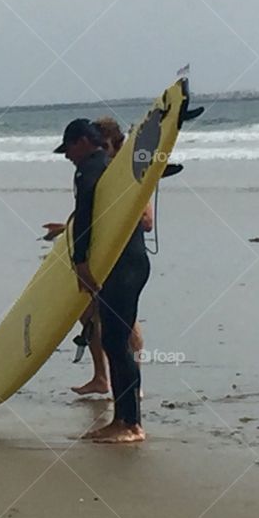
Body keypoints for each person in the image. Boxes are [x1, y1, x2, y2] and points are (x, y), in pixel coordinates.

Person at [53, 119, 150, 443]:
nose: (67, 156)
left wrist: (80, 263)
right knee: (114, 340)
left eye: (68, 149)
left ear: (82, 142)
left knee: (116, 342)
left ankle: (130, 424)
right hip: (131, 263)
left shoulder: (89, 169)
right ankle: (124, 419)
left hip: (121, 268)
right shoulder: (112, 168)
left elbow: (85, 219)